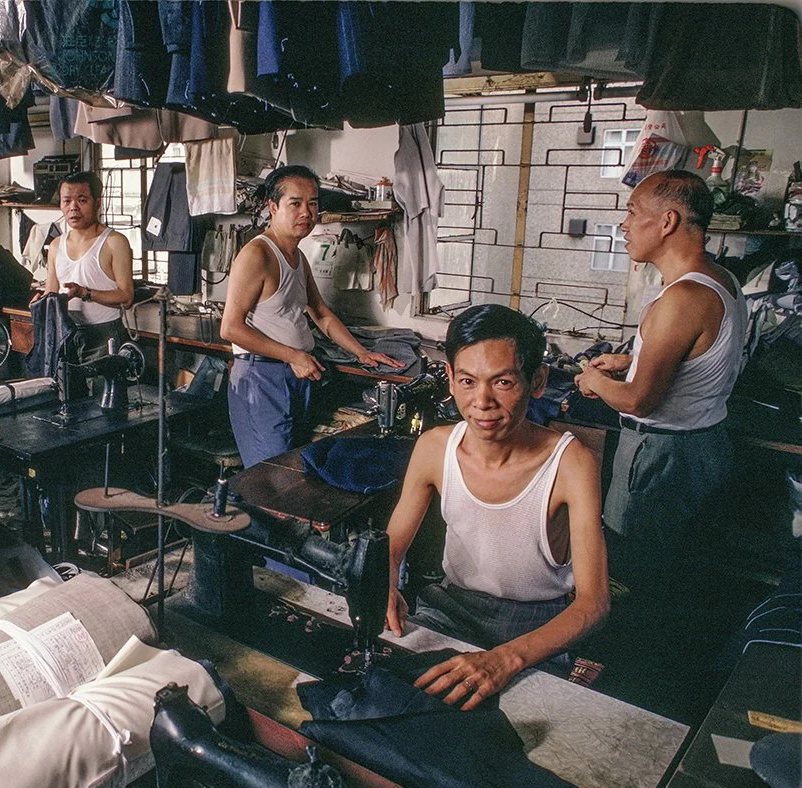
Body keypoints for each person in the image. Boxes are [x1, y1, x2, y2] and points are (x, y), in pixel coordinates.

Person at [385, 304, 609, 710]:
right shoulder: (435, 448)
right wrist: (383, 581)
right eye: (467, 381)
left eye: (503, 382)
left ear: (537, 381)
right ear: (450, 379)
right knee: (399, 705)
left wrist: (506, 659)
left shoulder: (571, 464)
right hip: (452, 610)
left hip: (539, 625)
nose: (482, 401)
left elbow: (594, 604)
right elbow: (391, 546)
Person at [575, 170, 746, 545]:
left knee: (633, 569)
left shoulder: (682, 299)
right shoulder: (722, 279)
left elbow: (640, 401)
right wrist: (628, 362)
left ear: (668, 221)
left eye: (633, 212)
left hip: (664, 456)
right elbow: (700, 356)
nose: (624, 224)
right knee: (676, 566)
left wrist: (594, 380)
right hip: (705, 445)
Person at [219, 165, 402, 467]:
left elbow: (320, 312)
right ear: (273, 207)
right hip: (261, 377)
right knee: (270, 475)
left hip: (295, 375)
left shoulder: (297, 256)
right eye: (296, 203)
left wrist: (361, 352)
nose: (307, 212)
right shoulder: (258, 255)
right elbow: (231, 329)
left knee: (293, 470)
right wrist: (293, 356)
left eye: (313, 203)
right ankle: (255, 516)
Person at [43, 171, 135, 366]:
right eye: (66, 201)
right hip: (66, 333)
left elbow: (126, 297)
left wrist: (84, 292)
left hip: (104, 334)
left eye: (82, 200)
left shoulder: (114, 242)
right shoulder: (56, 245)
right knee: (68, 394)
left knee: (105, 395)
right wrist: (41, 302)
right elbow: (51, 293)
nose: (73, 208)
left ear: (98, 202)